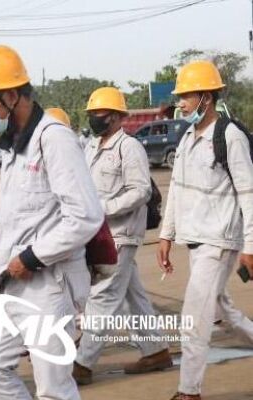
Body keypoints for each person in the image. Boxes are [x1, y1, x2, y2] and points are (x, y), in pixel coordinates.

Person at [0, 44, 103, 400]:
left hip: (47, 284)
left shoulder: (53, 138)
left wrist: (31, 257)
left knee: (54, 388)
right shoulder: (12, 145)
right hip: (8, 281)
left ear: (11, 95)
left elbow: (85, 215)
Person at [158, 60, 253, 400]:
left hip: (220, 240)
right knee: (222, 308)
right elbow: (177, 189)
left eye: (186, 96)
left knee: (195, 317)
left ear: (206, 98)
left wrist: (250, 246)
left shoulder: (230, 136)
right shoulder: (186, 137)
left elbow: (248, 193)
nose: (181, 103)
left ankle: (189, 392)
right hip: (195, 240)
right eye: (180, 96)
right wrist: (166, 235)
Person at [73, 87, 172, 385]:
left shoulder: (129, 148)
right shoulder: (90, 146)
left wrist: (103, 209)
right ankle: (155, 350)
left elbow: (140, 191)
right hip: (99, 235)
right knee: (133, 297)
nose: (94, 119)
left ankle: (82, 363)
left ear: (116, 117)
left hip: (121, 234)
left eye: (99, 114)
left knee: (102, 297)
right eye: (91, 114)